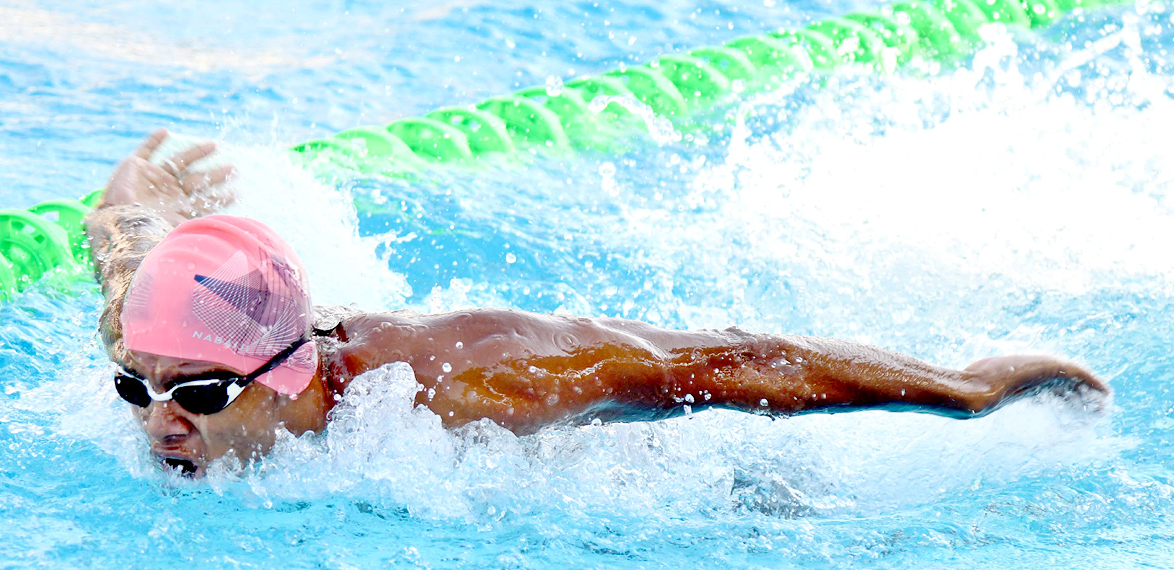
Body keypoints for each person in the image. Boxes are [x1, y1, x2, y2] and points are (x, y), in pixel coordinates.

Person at [84, 130, 1109, 478]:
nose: (158, 420)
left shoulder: (458, 380)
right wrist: (152, 184)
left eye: (204, 395)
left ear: (287, 372)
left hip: (622, 458)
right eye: (139, 386)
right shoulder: (153, 339)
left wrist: (962, 388)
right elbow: (120, 231)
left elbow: (717, 361)